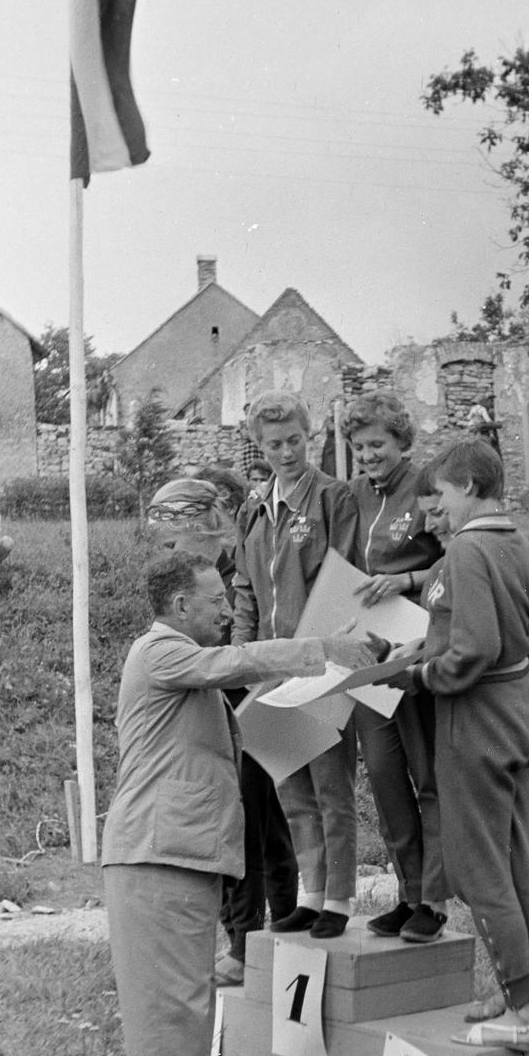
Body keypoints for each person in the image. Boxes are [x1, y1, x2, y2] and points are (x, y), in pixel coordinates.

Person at [101, 549, 374, 1056]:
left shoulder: (183, 665)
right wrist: (321, 651)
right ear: (179, 606)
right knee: (169, 1003)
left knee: (188, 997)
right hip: (156, 852)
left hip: (177, 851)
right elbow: (238, 660)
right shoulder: (160, 651)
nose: (228, 613)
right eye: (217, 602)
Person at [397, 439, 529, 1051]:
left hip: (480, 719)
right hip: (524, 713)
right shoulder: (521, 541)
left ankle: (519, 1014)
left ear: (467, 485)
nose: (431, 512)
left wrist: (416, 675)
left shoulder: (469, 548)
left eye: (438, 496)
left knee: (481, 870)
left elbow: (474, 650)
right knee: (521, 864)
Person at [231, 390, 362, 938]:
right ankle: (310, 894)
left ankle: (341, 900)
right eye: (273, 444)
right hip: (271, 667)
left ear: (312, 439)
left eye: (294, 442)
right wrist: (242, 664)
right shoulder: (253, 510)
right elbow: (245, 592)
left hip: (324, 664)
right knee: (292, 789)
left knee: (332, 790)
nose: (285, 453)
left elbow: (349, 581)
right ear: (257, 447)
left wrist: (330, 659)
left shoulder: (334, 499)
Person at [342, 391, 449, 943]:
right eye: (359, 447)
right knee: (385, 778)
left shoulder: (427, 484)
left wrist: (408, 581)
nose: (367, 455)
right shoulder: (355, 494)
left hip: (418, 648)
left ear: (401, 442)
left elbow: (460, 557)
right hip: (369, 652)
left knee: (427, 776)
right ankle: (407, 894)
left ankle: (434, 900)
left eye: (377, 444)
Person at [194, 464, 302, 984]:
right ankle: (275, 924)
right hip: (222, 700)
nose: (201, 516)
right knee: (258, 820)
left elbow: (256, 620)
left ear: (233, 511)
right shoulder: (191, 567)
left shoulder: (247, 558)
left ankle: (247, 941)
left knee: (254, 820)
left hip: (257, 693)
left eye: (212, 504)